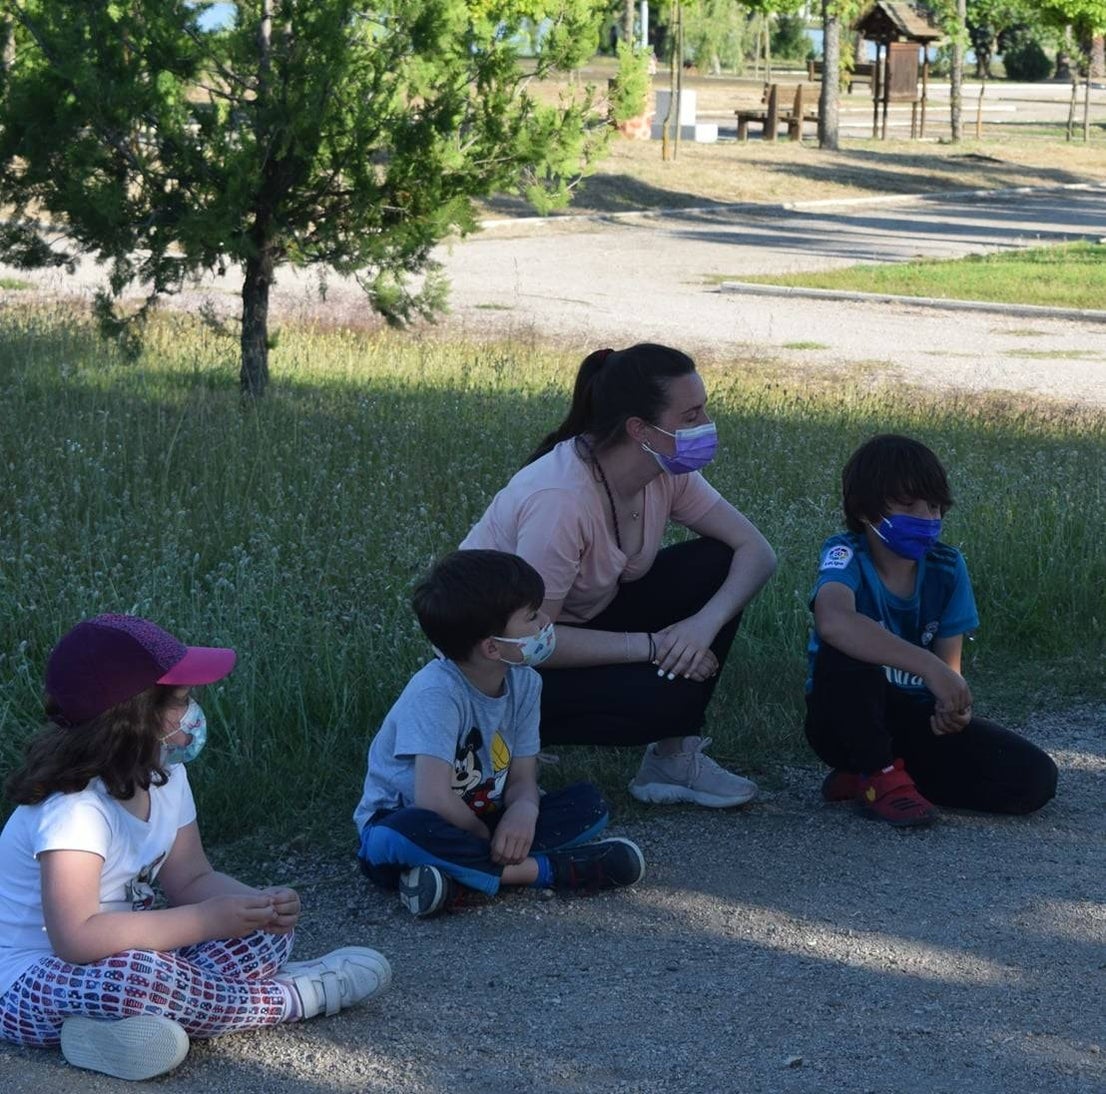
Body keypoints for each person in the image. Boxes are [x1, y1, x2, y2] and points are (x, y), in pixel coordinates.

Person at [0, 614, 392, 1081]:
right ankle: (293, 996)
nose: (193, 713)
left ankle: (110, 1033)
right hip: (31, 980)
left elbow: (191, 879)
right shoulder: (75, 808)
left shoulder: (166, 775)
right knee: (138, 977)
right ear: (132, 717)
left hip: (124, 957)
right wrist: (206, 921)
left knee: (264, 935)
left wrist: (255, 904)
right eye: (182, 700)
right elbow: (76, 938)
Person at [460, 344, 777, 808]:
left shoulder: (665, 467)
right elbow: (531, 644)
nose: (706, 425)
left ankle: (673, 759)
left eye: (704, 410)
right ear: (639, 429)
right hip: (500, 661)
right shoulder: (561, 499)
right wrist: (654, 646)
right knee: (663, 700)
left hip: (576, 626)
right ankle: (501, 740)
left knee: (717, 561)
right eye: (691, 416)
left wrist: (699, 628)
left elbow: (757, 551)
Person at [355, 549, 646, 917]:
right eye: (531, 617)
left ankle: (453, 881)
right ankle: (550, 871)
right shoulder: (436, 692)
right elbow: (432, 799)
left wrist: (523, 810)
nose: (544, 622)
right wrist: (483, 836)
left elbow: (523, 777)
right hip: (414, 822)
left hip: (484, 817)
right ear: (492, 647)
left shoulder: (525, 682)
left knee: (588, 805)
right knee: (397, 835)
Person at [804, 434, 1058, 826]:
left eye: (935, 506)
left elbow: (948, 668)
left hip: (914, 721)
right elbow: (834, 620)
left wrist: (953, 707)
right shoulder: (846, 554)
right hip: (842, 719)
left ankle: (875, 778)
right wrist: (927, 667)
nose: (927, 519)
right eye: (908, 505)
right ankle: (880, 775)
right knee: (846, 650)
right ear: (865, 509)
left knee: (1033, 780)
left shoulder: (947, 567)